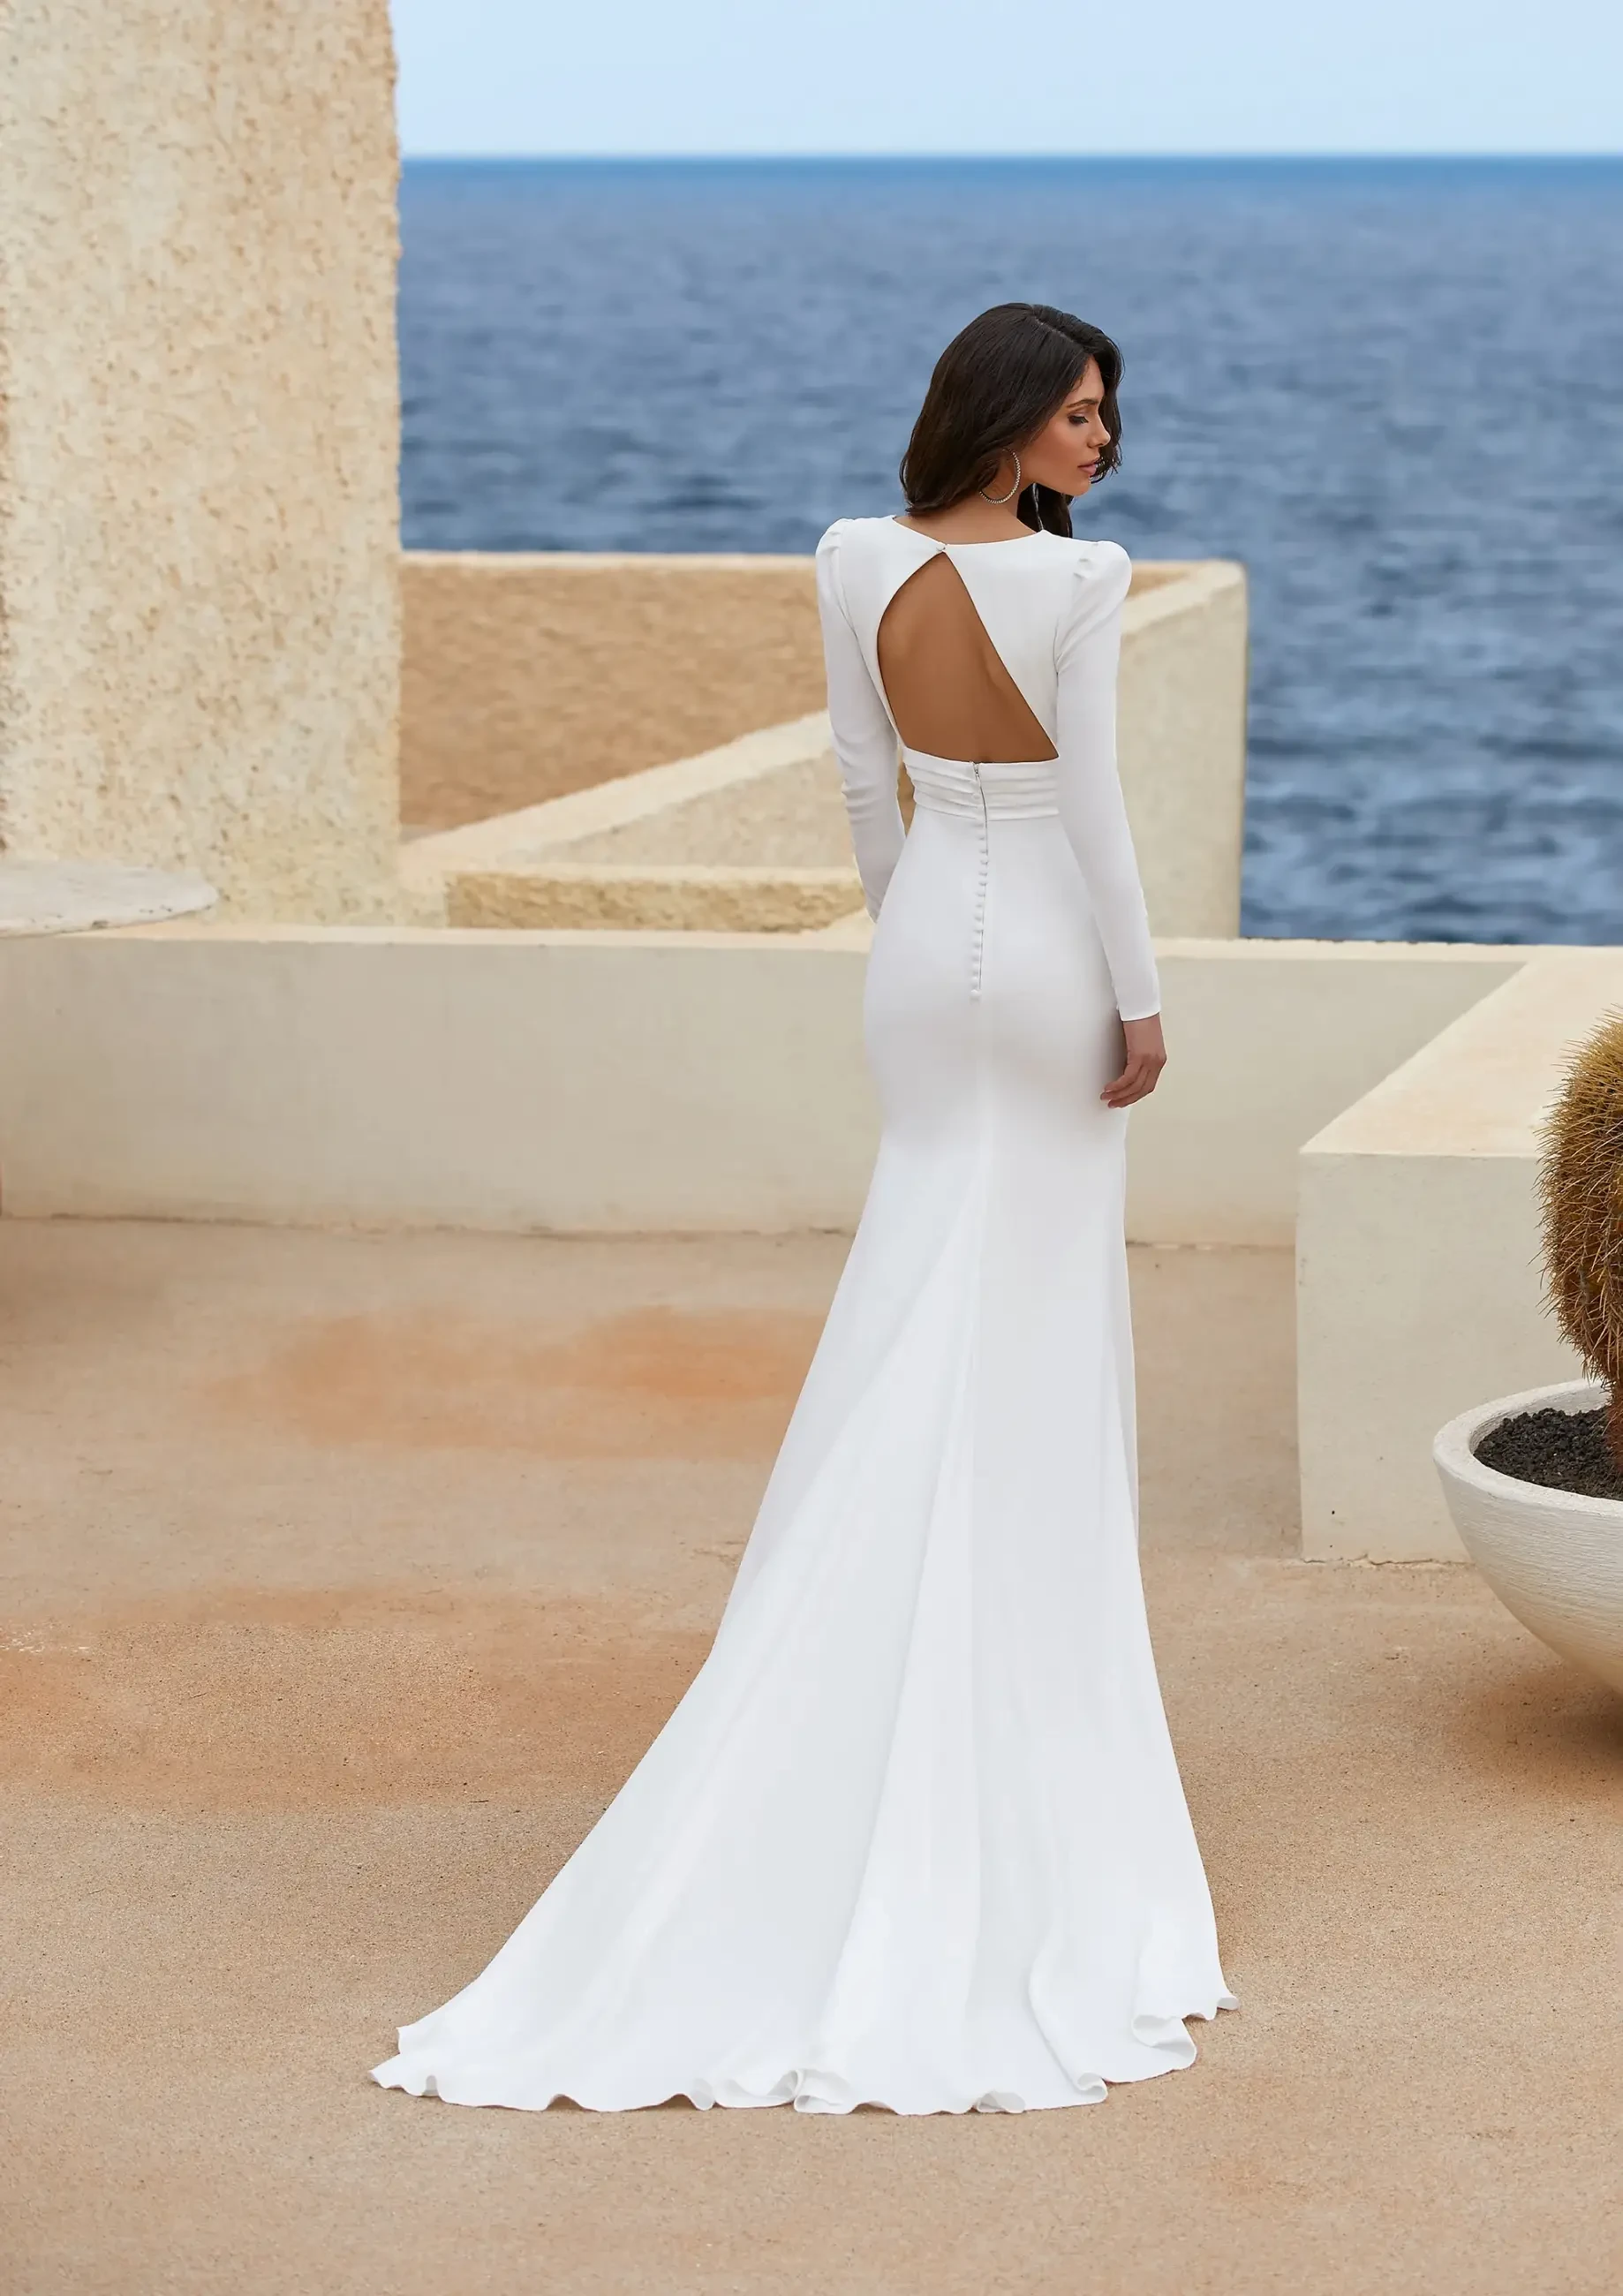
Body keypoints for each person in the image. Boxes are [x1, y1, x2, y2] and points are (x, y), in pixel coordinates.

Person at [371, 301, 1237, 2117]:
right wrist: (1145, 999)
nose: (1102, 441)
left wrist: (904, 918)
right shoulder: (1084, 590)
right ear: (1001, 419)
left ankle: (848, 1647)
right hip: (1049, 953)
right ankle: (984, 1734)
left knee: (920, 1285)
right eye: (1077, 412)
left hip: (921, 949)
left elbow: (864, 778)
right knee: (1023, 1339)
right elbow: (1092, 806)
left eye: (1107, 416)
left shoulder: (850, 558)